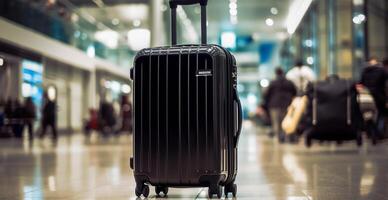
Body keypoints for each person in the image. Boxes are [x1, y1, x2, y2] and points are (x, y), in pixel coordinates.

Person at [264, 68, 297, 142]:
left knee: (276, 123)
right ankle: (285, 137)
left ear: (276, 73)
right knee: (285, 121)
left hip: (274, 105)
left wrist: (266, 104)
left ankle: (279, 138)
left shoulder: (273, 82)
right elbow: (295, 92)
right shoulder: (289, 82)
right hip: (287, 104)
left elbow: (266, 95)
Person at [360, 57, 387, 135]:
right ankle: (379, 131)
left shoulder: (365, 71)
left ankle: (370, 131)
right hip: (380, 96)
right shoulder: (382, 71)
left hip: (367, 97)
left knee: (368, 115)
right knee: (381, 113)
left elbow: (361, 83)